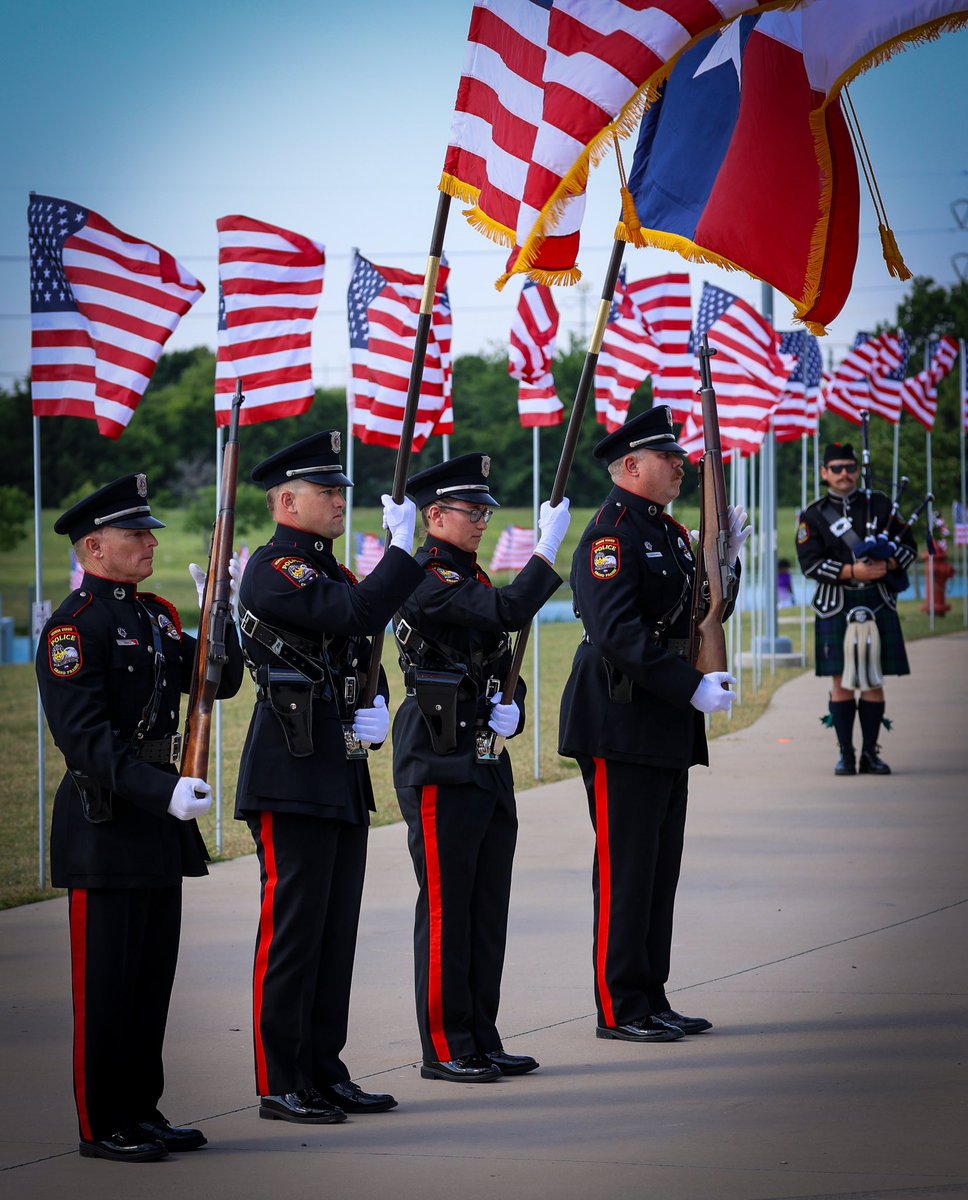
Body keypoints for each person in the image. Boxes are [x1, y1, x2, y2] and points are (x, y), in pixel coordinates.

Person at [36, 474, 244, 1162]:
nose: (149, 542)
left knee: (153, 982)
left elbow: (218, 679)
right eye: (135, 534)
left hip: (159, 817)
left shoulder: (152, 616)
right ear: (95, 547)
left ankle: (142, 1109)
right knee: (107, 987)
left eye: (149, 532)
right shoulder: (75, 627)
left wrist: (225, 614)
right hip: (108, 820)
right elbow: (86, 742)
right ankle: (104, 1122)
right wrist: (163, 792)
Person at [235, 430, 423, 1124]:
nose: (341, 500)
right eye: (327, 491)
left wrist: (373, 705)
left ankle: (322, 1068)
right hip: (289, 769)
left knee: (332, 931)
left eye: (342, 490)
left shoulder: (332, 571)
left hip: (336, 769)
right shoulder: (274, 569)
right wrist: (402, 553)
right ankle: (280, 1078)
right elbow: (355, 616)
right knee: (292, 931)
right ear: (287, 500)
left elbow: (357, 650)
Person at [558, 407, 749, 1045]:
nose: (681, 465)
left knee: (659, 868)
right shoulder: (610, 534)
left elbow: (693, 612)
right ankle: (620, 1005)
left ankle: (651, 994)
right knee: (626, 868)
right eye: (669, 457)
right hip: (621, 717)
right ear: (632, 466)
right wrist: (689, 685)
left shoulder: (666, 531)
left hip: (661, 718)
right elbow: (616, 633)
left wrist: (727, 566)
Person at [391, 454, 570, 1082]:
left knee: (486, 905)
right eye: (473, 512)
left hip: (483, 757)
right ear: (434, 515)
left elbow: (495, 661)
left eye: (487, 512)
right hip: (439, 757)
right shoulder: (422, 575)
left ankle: (479, 1035)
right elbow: (504, 616)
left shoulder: (468, 576)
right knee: (448, 908)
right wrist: (546, 554)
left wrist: (511, 708)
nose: (484, 522)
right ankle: (444, 1045)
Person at [796, 441, 917, 776]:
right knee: (842, 681)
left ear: (857, 470)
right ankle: (846, 755)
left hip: (877, 599)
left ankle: (871, 754)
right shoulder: (814, 515)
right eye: (837, 468)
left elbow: (910, 544)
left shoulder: (880, 504)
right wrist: (852, 571)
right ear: (825, 473)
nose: (844, 474)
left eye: (850, 467)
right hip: (837, 604)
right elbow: (809, 564)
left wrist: (889, 562)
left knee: (874, 680)